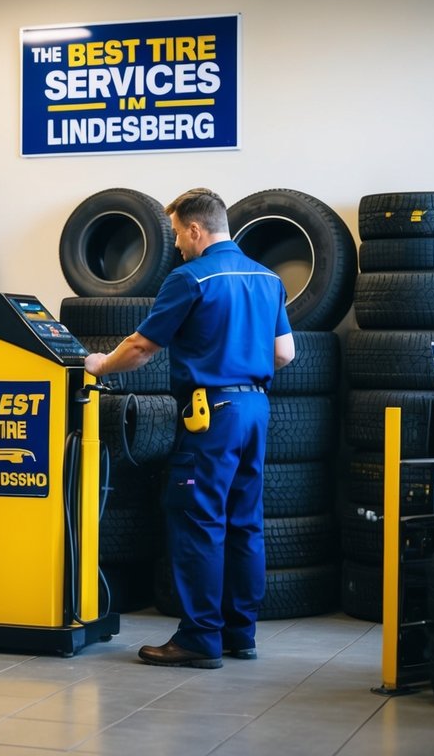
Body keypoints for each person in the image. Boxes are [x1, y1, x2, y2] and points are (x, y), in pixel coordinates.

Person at [84, 188, 295, 669]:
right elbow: (285, 354)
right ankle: (239, 635)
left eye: (178, 233)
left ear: (197, 230)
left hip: (211, 415)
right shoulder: (267, 279)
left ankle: (199, 637)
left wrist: (98, 366)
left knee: (199, 523)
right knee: (244, 523)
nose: (177, 244)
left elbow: (140, 347)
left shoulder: (191, 277)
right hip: (255, 411)